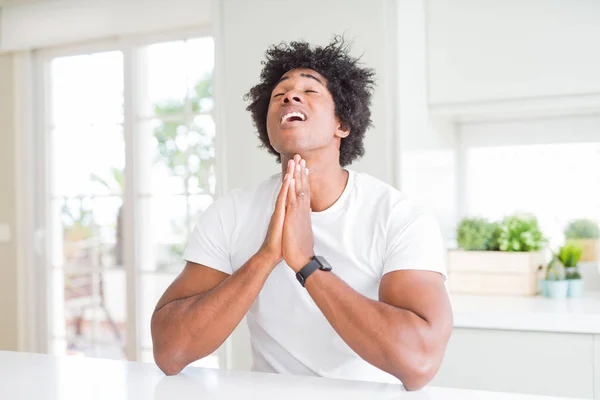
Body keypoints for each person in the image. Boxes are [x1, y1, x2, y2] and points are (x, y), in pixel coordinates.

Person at [150, 36, 453, 391]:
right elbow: (170, 352)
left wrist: (306, 264)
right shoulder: (229, 214)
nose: (289, 96)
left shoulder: (399, 217)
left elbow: (419, 362)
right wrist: (265, 257)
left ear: (343, 123)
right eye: (280, 94)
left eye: (310, 91)